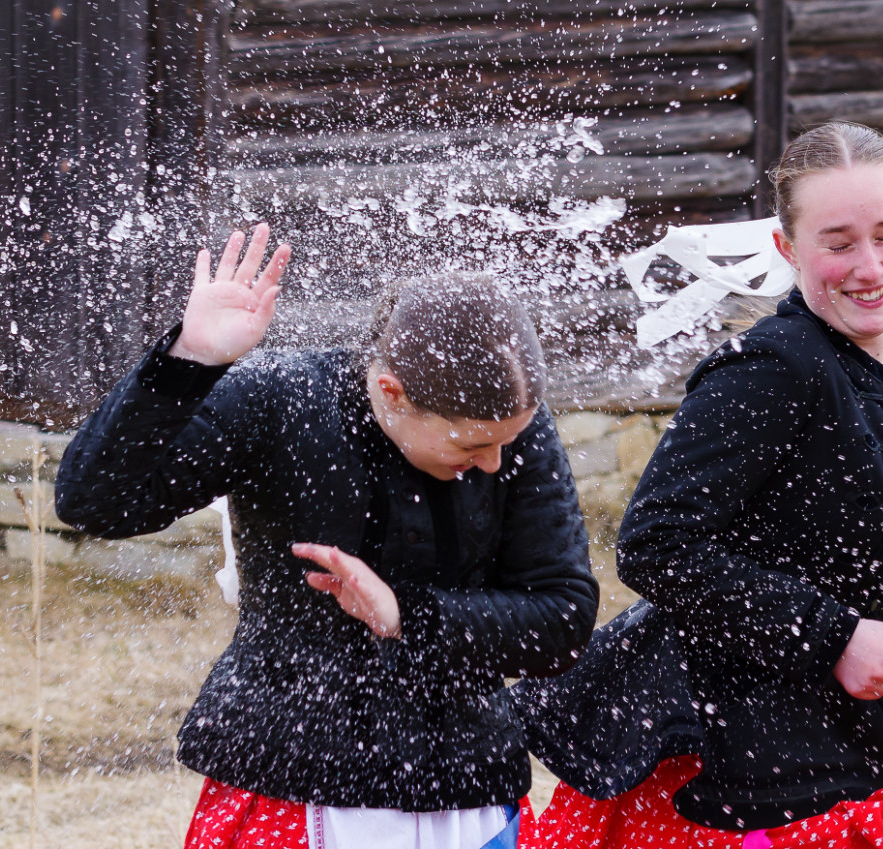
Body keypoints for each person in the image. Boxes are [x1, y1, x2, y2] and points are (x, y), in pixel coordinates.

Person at [518, 122, 883, 849]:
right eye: (837, 243)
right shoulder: (767, 369)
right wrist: (834, 635)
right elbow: (653, 546)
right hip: (723, 722)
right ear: (787, 247)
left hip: (837, 709)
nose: (869, 266)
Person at [54, 224, 599, 849]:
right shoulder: (279, 398)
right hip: (285, 784)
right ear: (391, 390)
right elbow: (97, 504)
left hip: (466, 791)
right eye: (473, 445)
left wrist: (408, 616)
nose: (497, 464)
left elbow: (561, 618)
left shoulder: (507, 424)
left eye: (509, 441)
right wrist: (189, 364)